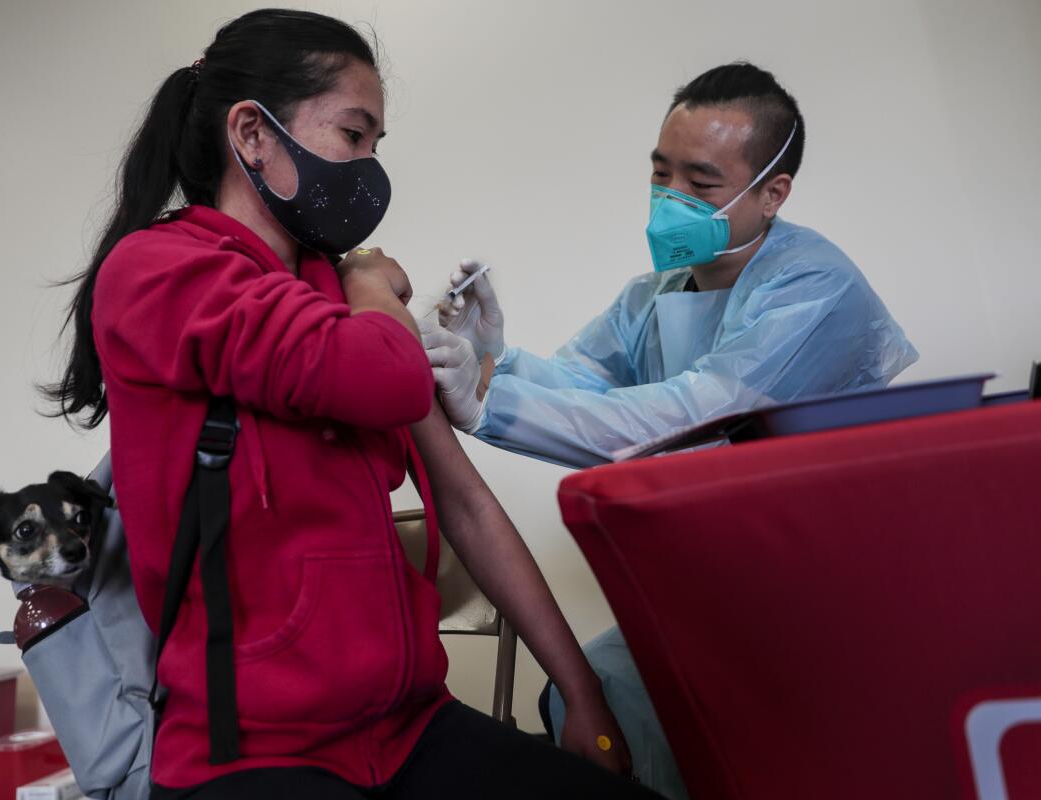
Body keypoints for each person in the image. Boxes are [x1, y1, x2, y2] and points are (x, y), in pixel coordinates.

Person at [44, 9, 660, 800]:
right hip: (253, 754)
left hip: (408, 731)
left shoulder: (335, 293)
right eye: (353, 135)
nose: (369, 169)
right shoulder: (161, 273)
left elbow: (465, 503)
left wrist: (583, 695)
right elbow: (381, 375)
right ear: (252, 134)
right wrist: (370, 274)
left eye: (377, 145)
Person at [424, 63, 918, 797]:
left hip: (815, 606)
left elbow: (688, 416)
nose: (670, 200)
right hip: (707, 591)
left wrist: (490, 402)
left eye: (701, 182)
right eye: (661, 174)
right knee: (590, 706)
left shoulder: (813, 291)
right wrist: (494, 358)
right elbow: (586, 386)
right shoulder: (654, 295)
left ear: (773, 192)